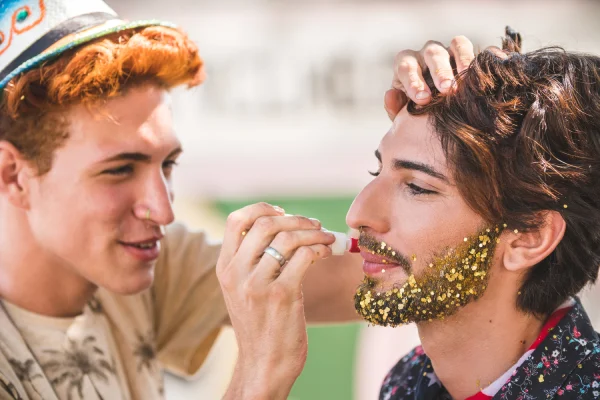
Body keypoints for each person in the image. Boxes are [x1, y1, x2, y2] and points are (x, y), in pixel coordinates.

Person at [0, 1, 372, 398]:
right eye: (119, 170)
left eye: (168, 165)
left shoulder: (141, 262)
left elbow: (359, 278)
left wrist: (440, 102)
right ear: (13, 175)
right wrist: (260, 374)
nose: (162, 210)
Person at [218, 29, 600, 399]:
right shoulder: (407, 382)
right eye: (377, 171)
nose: (357, 214)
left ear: (529, 237)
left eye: (417, 187)